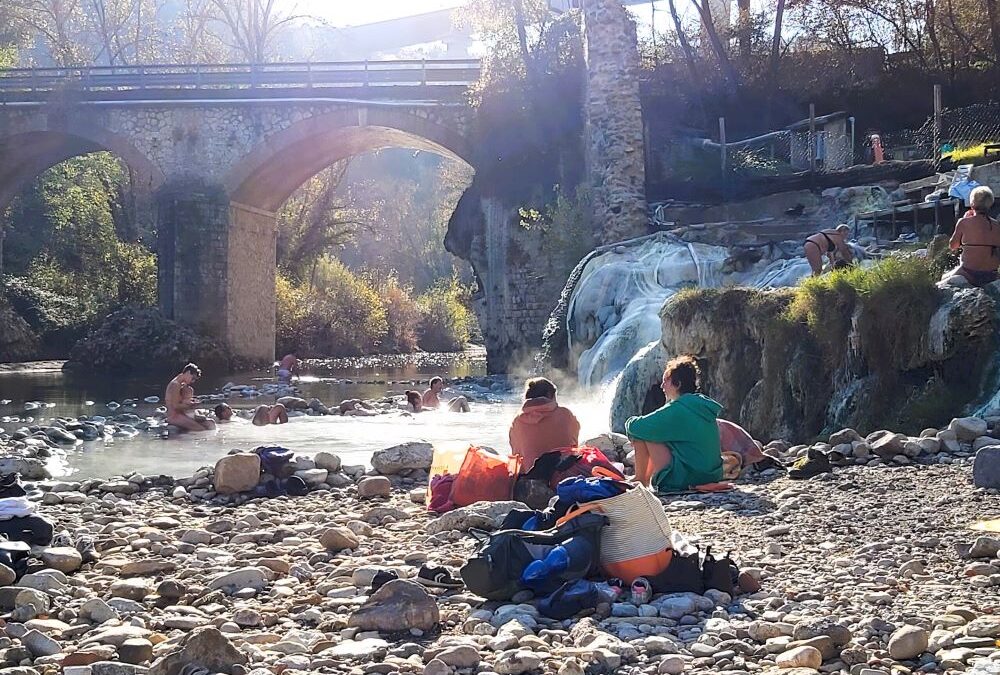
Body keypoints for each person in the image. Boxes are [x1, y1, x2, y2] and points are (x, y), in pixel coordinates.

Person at [625, 356, 723, 492]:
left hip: (689, 477)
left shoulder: (678, 409)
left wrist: (631, 431)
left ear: (678, 384)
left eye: (666, 380)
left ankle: (640, 479)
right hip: (712, 475)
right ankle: (642, 480)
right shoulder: (699, 405)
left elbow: (636, 426)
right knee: (650, 430)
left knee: (645, 432)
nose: (661, 386)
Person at [508, 377, 581, 472]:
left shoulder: (517, 420)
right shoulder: (565, 414)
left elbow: (516, 453)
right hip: (562, 472)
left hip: (531, 474)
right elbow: (574, 443)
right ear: (549, 395)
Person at [948, 186, 1000, 287]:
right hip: (991, 273)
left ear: (972, 203)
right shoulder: (997, 225)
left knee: (943, 279)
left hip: (969, 273)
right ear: (990, 204)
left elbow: (952, 246)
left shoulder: (964, 222)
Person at [165, 364, 215, 432]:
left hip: (182, 414)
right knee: (200, 429)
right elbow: (175, 406)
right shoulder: (175, 384)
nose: (193, 381)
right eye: (193, 378)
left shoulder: (181, 384)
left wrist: (191, 401)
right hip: (174, 416)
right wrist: (191, 406)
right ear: (188, 372)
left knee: (210, 423)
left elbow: (182, 401)